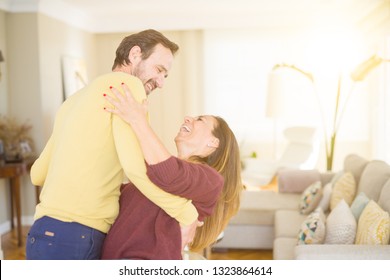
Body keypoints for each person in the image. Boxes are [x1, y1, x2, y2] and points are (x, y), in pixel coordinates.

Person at [26, 29, 199, 260]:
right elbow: (136, 169)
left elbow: (37, 174)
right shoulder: (127, 88)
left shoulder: (74, 100)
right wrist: (186, 212)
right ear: (135, 54)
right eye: (159, 70)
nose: (161, 82)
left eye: (165, 76)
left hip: (41, 233)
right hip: (77, 235)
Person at [101, 83, 243, 259]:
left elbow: (169, 175)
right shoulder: (155, 172)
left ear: (214, 142)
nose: (188, 118)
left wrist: (138, 120)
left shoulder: (211, 180)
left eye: (200, 120)